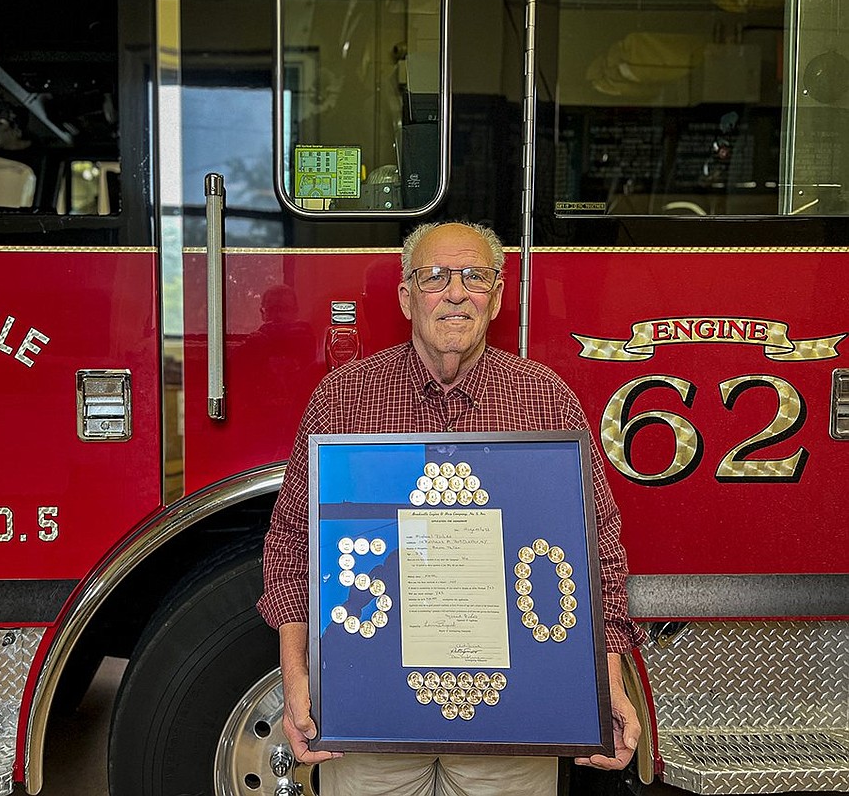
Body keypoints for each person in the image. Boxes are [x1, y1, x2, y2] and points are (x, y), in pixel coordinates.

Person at [257, 221, 646, 795]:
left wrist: (604, 681)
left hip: (509, 724)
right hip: (372, 720)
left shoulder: (544, 399)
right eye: (435, 276)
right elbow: (291, 546)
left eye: (475, 277)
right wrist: (297, 680)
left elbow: (598, 552)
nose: (456, 292)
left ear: (498, 294)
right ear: (406, 294)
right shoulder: (345, 399)